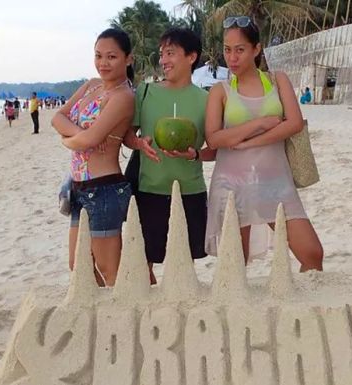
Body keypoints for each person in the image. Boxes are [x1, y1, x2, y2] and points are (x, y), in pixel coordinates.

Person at [204, 16, 323, 271]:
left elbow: (294, 123)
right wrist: (260, 124)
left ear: (256, 49)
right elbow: (214, 137)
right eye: (227, 49)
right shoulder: (220, 90)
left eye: (240, 50)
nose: (232, 57)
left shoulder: (277, 80)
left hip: (275, 182)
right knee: (236, 265)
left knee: (312, 255)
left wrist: (247, 142)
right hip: (232, 183)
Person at [124, 28, 216, 284]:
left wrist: (194, 154)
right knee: (143, 262)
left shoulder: (206, 100)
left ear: (191, 57)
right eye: (162, 54)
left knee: (183, 265)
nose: (163, 60)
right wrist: (140, 144)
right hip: (149, 189)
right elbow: (127, 136)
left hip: (190, 191)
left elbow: (215, 149)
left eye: (171, 53)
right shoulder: (145, 92)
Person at [51, 28, 135, 286]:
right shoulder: (91, 86)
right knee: (79, 266)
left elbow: (91, 139)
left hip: (104, 190)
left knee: (110, 271)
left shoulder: (123, 96)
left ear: (128, 59)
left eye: (111, 57)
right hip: (78, 187)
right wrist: (78, 137)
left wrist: (68, 139)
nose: (103, 63)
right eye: (98, 56)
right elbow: (57, 117)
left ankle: (121, 320)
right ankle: (103, 315)